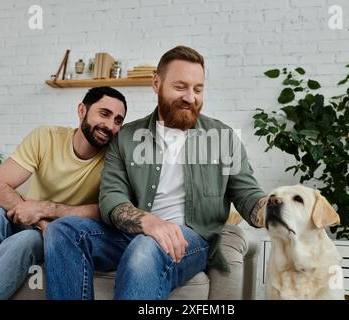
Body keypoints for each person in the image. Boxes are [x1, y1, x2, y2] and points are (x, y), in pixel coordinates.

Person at [44, 46, 267, 300]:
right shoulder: (126, 137)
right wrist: (148, 222)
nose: (190, 97)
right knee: (63, 231)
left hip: (190, 240)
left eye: (198, 89)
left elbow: (248, 195)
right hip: (131, 234)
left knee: (145, 248)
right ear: (156, 83)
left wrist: (274, 209)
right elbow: (112, 199)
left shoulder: (223, 137)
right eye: (180, 87)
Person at [0, 86, 127, 299]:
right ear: (82, 111)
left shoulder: (113, 159)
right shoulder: (46, 137)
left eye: (118, 120)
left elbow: (105, 210)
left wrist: (44, 212)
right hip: (28, 219)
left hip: (62, 231)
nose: (110, 125)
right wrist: (40, 221)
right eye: (104, 114)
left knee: (24, 242)